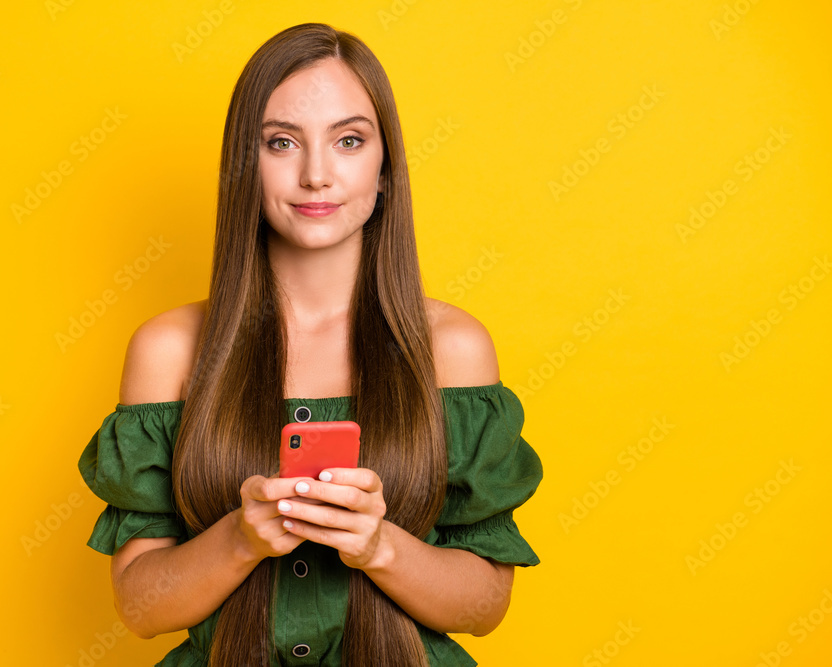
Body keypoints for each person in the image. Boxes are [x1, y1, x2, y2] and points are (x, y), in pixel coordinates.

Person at [78, 22, 543, 667]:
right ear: (246, 164)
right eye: (281, 142)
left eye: (348, 140)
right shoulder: (169, 349)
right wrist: (241, 538)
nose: (316, 174)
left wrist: (377, 546)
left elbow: (485, 605)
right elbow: (140, 607)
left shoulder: (453, 348)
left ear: (385, 167)